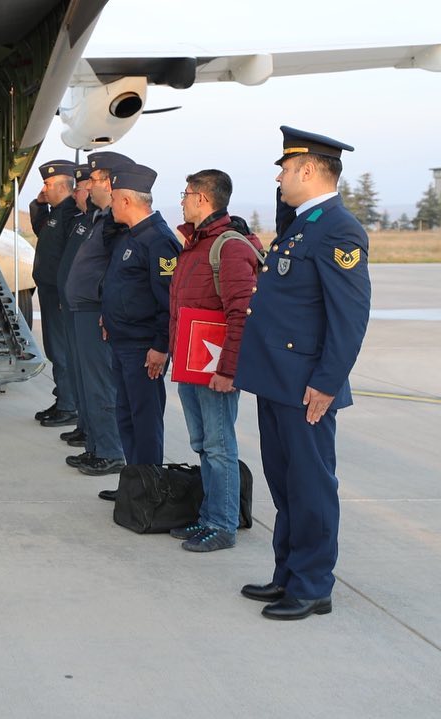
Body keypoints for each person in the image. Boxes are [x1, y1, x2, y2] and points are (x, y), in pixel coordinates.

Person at [236, 127, 370, 620]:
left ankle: (313, 585)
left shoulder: (337, 228)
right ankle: (288, 574)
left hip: (306, 383)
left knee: (311, 485)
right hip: (277, 377)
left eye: (286, 169)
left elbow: (350, 314)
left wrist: (328, 382)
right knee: (284, 481)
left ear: (309, 170)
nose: (279, 176)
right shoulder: (303, 222)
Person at [168, 169, 263, 551]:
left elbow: (241, 313)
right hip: (191, 363)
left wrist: (228, 369)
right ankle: (209, 516)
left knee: (220, 446)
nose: (182, 200)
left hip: (214, 368)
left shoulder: (229, 246)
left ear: (203, 199)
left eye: (186, 193)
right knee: (204, 443)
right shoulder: (195, 243)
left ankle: (222, 525)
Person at [97, 163, 181, 501]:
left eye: (114, 199)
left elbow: (168, 301)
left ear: (128, 200)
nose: (111, 205)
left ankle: (148, 490)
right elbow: (121, 286)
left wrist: (161, 346)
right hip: (122, 342)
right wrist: (109, 318)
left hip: (143, 347)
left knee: (145, 421)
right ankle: (132, 485)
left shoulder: (158, 241)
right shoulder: (130, 236)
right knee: (127, 416)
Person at [63, 152, 133, 477]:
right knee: (87, 382)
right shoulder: (99, 219)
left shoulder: (115, 224)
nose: (88, 186)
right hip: (82, 310)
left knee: (100, 383)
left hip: (95, 312)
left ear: (109, 182)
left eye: (93, 180)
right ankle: (95, 445)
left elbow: (118, 271)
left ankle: (110, 450)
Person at [30, 160, 80, 427]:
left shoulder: (71, 214)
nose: (45, 188)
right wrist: (39, 204)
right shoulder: (56, 212)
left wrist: (66, 294)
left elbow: (73, 260)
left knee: (62, 351)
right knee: (54, 349)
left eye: (48, 184)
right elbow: (41, 230)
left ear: (63, 186)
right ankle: (63, 398)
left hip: (60, 295)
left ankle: (69, 405)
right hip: (50, 292)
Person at [53, 164, 95, 449]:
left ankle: (101, 442)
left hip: (89, 311)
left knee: (94, 379)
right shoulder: (83, 220)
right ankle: (86, 428)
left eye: (79, 189)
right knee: (80, 371)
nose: (75, 194)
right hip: (73, 306)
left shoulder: (97, 223)